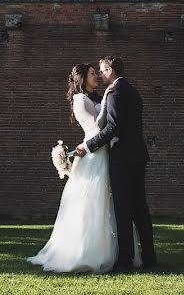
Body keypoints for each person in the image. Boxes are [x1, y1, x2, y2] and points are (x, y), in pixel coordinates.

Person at [28, 63, 141, 273]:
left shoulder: (96, 98)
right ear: (82, 78)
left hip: (105, 152)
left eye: (97, 72)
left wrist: (104, 99)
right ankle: (85, 252)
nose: (97, 76)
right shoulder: (80, 100)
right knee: (91, 202)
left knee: (111, 203)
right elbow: (95, 127)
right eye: (92, 73)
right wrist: (106, 98)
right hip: (92, 155)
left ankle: (117, 253)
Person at [75, 55, 156, 272]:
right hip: (139, 155)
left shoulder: (115, 93)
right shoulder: (133, 91)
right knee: (141, 209)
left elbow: (113, 129)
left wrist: (88, 146)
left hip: (122, 158)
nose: (100, 75)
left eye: (101, 70)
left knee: (123, 210)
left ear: (110, 69)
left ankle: (125, 260)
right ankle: (150, 258)